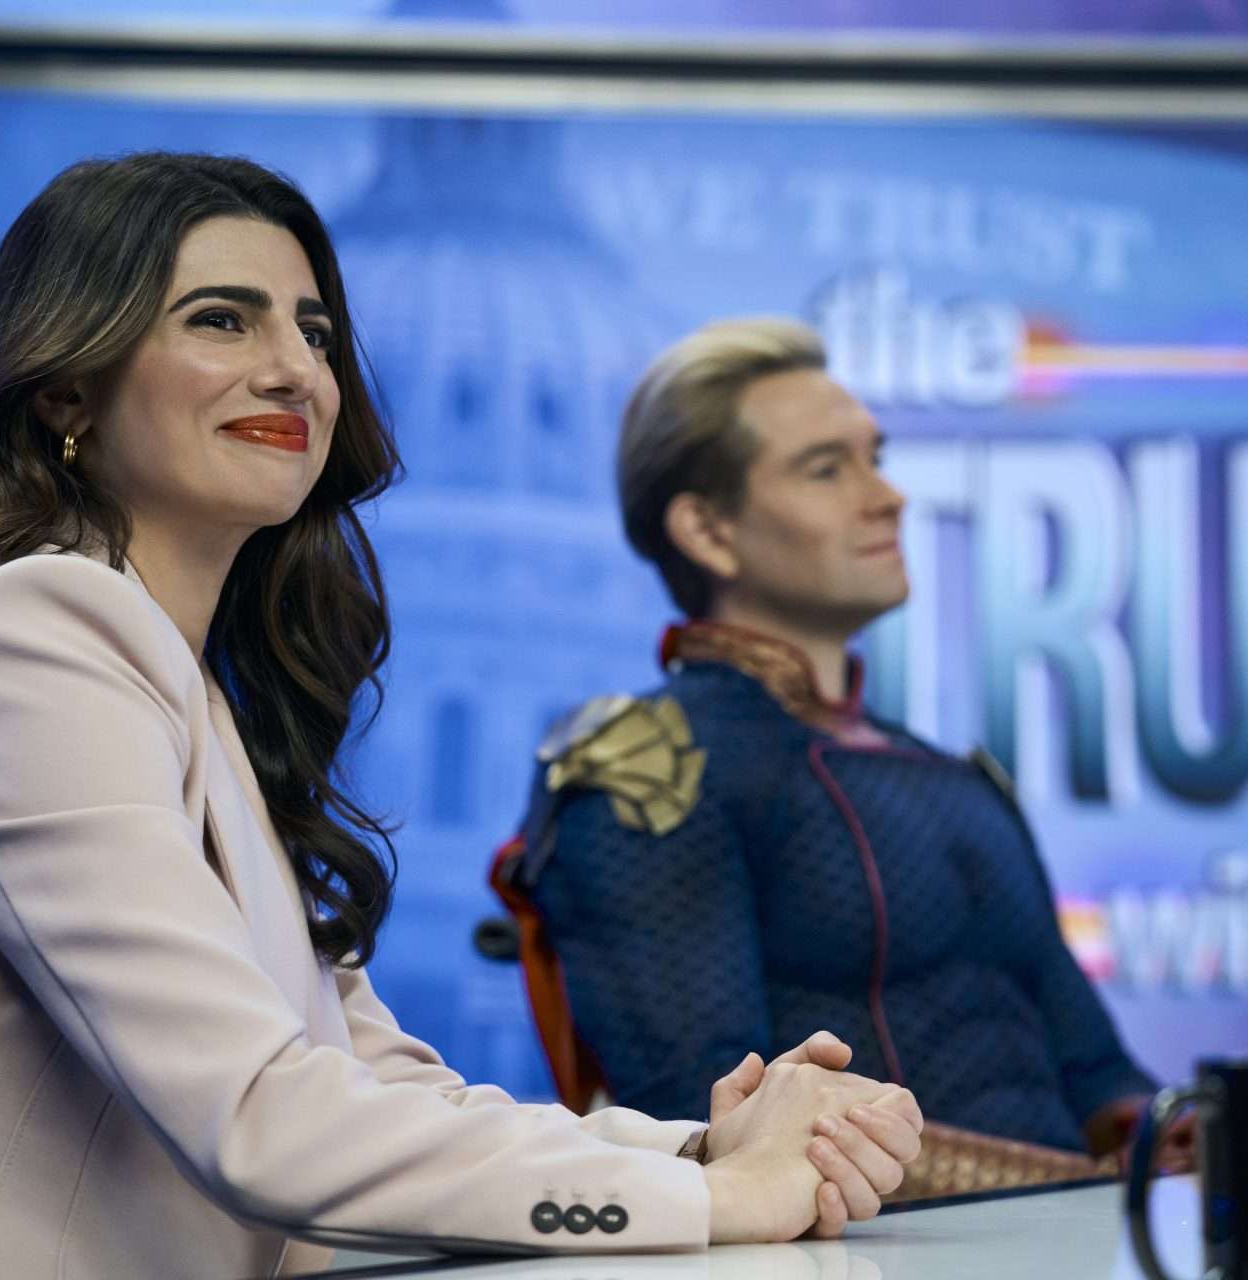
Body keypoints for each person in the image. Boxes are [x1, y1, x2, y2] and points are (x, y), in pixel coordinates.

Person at [0, 157, 925, 1279]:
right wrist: (715, 1202)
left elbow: (377, 1083)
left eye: (313, 332)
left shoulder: (188, 690)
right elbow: (263, 1117)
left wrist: (699, 1150)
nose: (293, 369)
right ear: (64, 387)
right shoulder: (33, 637)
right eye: (221, 320)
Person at [498, 317, 1177, 1171]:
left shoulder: (953, 778)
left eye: (874, 459)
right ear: (708, 531)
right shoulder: (649, 771)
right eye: (826, 469)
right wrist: (1060, 1189)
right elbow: (706, 1121)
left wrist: (1173, 1136)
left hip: (1070, 1228)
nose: (887, 497)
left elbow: (1096, 1073)